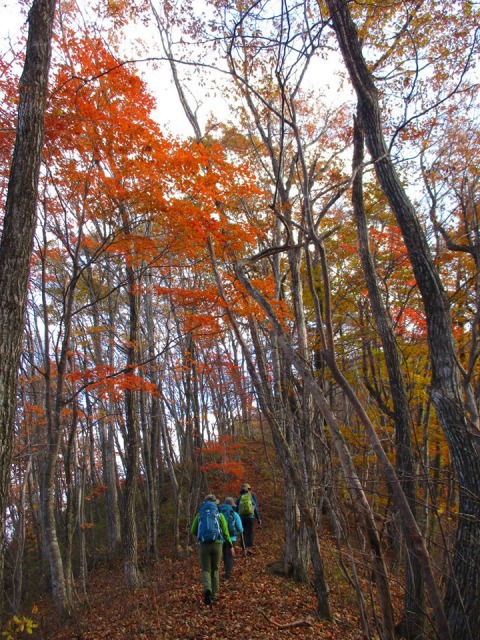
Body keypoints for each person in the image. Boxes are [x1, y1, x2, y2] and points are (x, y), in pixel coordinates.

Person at [191, 493, 234, 606]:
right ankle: (214, 596)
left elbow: (193, 530)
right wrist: (230, 545)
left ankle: (207, 589)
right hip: (217, 544)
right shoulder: (219, 515)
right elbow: (225, 532)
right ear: (215, 503)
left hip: (204, 544)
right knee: (215, 569)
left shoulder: (200, 514)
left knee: (205, 569)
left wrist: (201, 536)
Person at [219, 497, 243, 579]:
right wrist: (240, 531)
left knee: (224, 555)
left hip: (221, 538)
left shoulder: (219, 513)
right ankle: (228, 575)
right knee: (229, 556)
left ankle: (224, 573)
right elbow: (240, 528)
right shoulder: (234, 514)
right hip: (232, 538)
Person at [236, 483, 261, 551]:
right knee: (250, 532)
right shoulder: (251, 496)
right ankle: (249, 548)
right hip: (250, 517)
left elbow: (236, 509)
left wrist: (236, 518)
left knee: (243, 532)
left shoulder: (239, 498)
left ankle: (243, 547)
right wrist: (258, 518)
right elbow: (255, 507)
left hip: (241, 518)